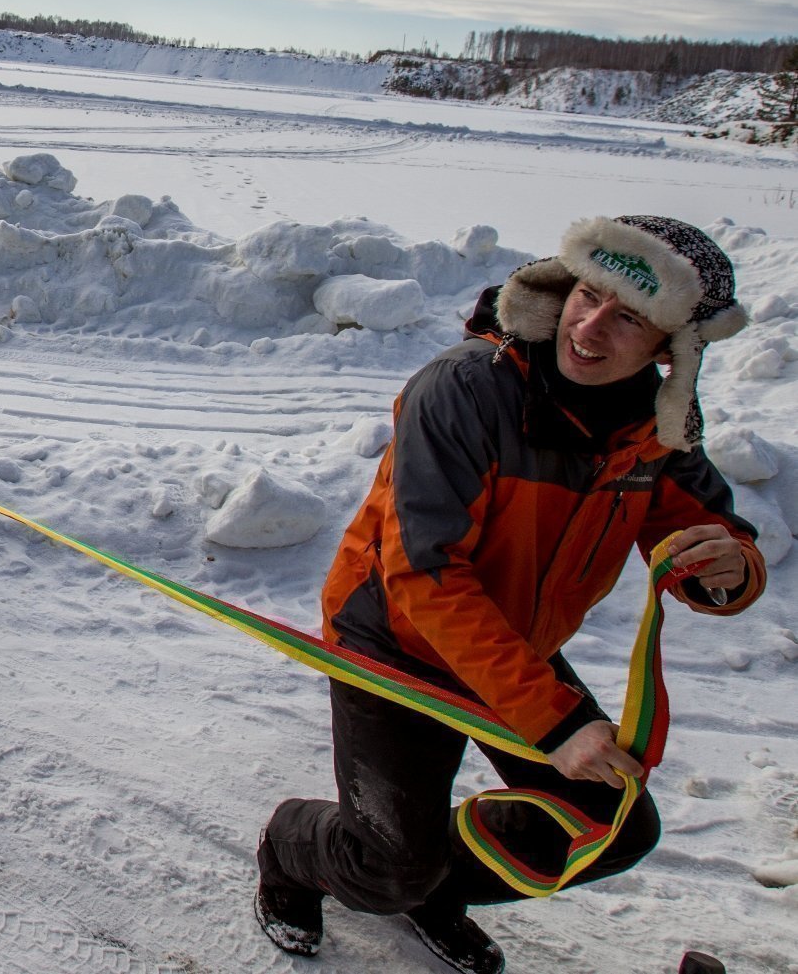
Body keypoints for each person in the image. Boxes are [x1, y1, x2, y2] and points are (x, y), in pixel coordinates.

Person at [254, 215, 767, 973]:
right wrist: (555, 723)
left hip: (513, 646)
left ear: (671, 348)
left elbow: (702, 530)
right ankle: (295, 849)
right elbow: (426, 577)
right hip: (398, 638)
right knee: (388, 862)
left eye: (627, 317)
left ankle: (431, 883)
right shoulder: (465, 389)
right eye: (587, 296)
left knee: (609, 825)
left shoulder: (655, 426)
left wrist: (730, 565)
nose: (589, 329)